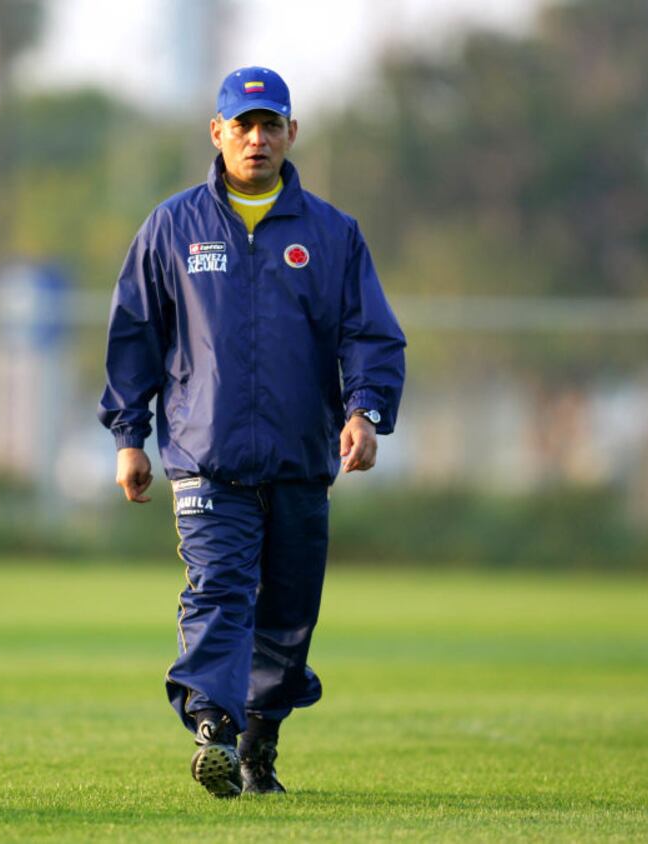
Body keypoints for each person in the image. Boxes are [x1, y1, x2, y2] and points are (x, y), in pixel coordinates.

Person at [97, 66, 406, 798]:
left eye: (271, 125)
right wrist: (128, 437)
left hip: (302, 461)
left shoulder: (333, 235)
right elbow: (134, 336)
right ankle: (213, 728)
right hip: (209, 461)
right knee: (219, 592)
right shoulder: (172, 228)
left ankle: (258, 740)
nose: (257, 138)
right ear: (218, 132)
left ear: (292, 132)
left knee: (287, 619)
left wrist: (364, 413)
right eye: (243, 125)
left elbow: (370, 336)